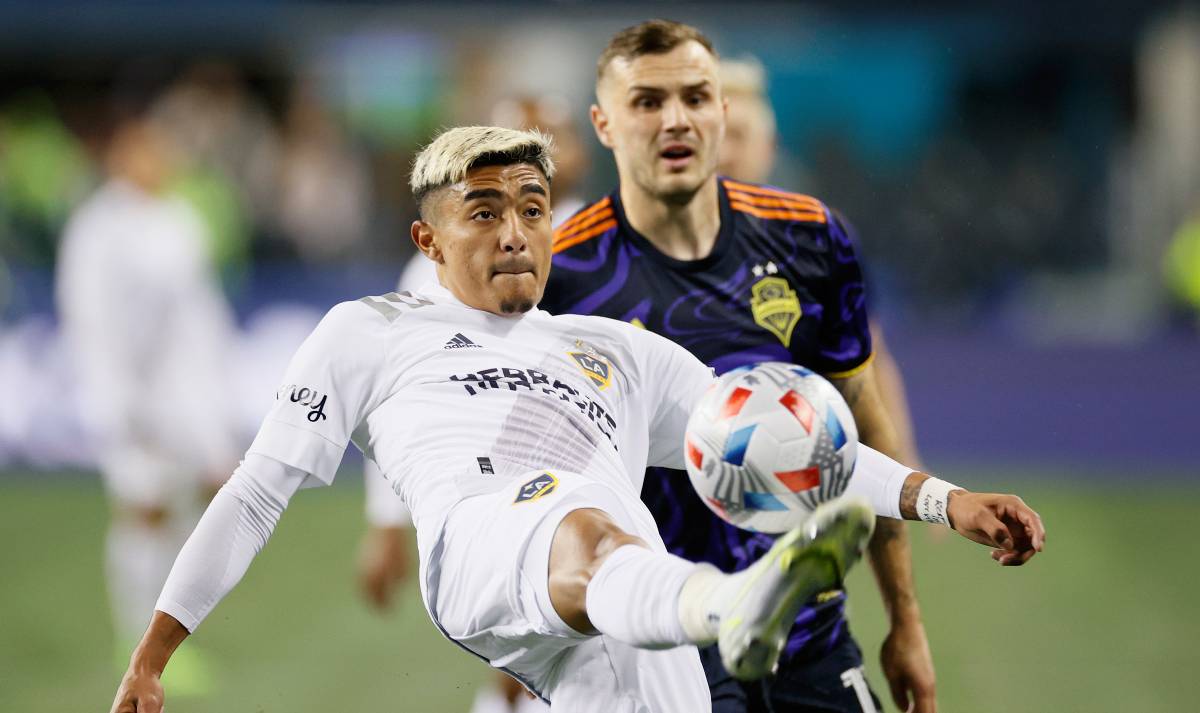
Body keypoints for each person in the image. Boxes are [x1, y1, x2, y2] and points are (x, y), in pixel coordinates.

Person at [108, 126, 1043, 713]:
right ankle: (735, 604)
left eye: (531, 208)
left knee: (611, 533)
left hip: (628, 604)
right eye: (483, 212)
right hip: (486, 552)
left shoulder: (613, 349)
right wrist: (154, 655)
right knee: (590, 522)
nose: (514, 230)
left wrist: (943, 501)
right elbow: (255, 494)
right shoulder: (370, 331)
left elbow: (786, 450)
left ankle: (719, 607)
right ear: (428, 241)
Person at [546, 21, 932, 713]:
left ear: (722, 112)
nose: (676, 120)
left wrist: (906, 621)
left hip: (811, 633)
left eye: (696, 97)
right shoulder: (559, 276)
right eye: (647, 102)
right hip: (663, 650)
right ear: (604, 123)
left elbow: (863, 429)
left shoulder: (812, 238)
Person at [58, 107, 239, 695]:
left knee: (187, 513)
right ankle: (134, 642)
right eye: (143, 149)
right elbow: (90, 321)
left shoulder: (179, 218)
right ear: (118, 155)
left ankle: (165, 640)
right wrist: (117, 402)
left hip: (185, 398)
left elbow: (199, 317)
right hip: (130, 398)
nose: (157, 160)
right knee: (145, 507)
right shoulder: (96, 228)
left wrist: (210, 407)